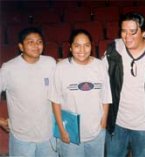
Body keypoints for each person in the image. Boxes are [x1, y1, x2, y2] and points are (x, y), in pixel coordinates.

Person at [102, 12, 145, 157]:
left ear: (144, 32)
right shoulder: (113, 51)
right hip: (117, 123)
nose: (127, 36)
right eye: (123, 31)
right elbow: (96, 72)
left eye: (132, 32)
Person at [49, 29, 112, 157]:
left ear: (91, 46)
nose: (82, 50)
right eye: (77, 46)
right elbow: (55, 101)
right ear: (71, 47)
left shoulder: (100, 66)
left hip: (96, 131)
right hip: (71, 133)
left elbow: (105, 97)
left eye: (86, 45)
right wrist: (61, 129)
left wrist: (103, 123)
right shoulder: (61, 68)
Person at [0, 27, 57, 156]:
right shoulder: (9, 68)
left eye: (39, 42)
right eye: (30, 42)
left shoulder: (50, 63)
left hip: (48, 134)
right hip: (21, 137)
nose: (36, 46)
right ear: (21, 46)